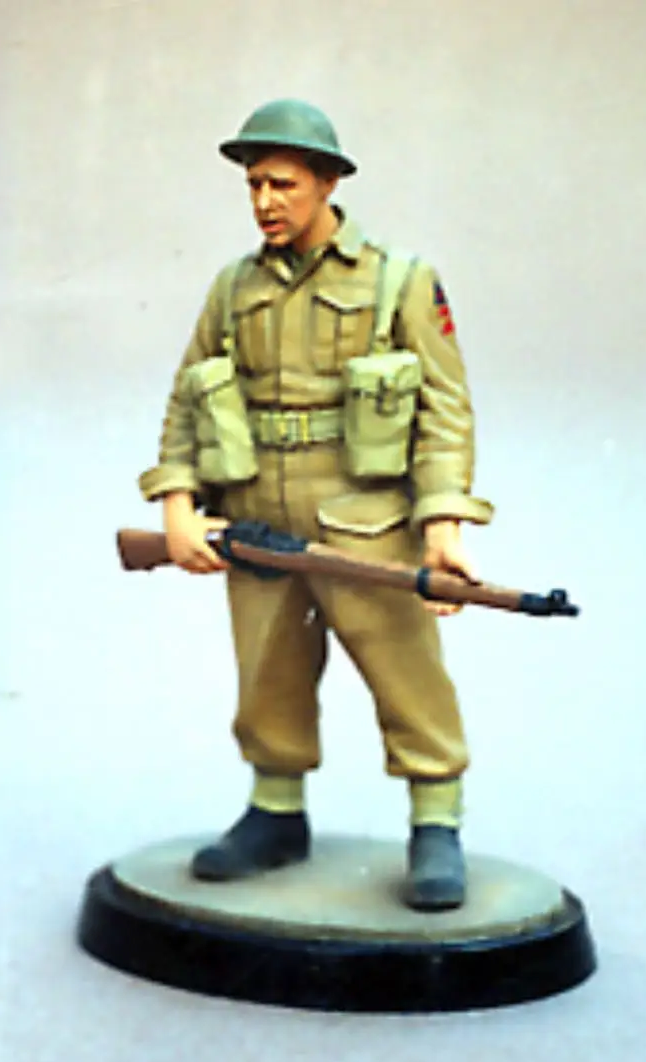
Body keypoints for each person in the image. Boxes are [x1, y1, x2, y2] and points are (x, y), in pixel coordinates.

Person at [137, 99, 494, 911]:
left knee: (405, 674)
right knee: (268, 672)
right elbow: (188, 398)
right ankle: (275, 811)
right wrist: (179, 504)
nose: (265, 201)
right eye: (254, 185)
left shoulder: (398, 279)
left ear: (328, 182)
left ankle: (436, 820)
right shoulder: (234, 287)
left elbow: (444, 409)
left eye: (283, 184)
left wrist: (442, 521)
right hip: (255, 512)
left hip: (363, 519)